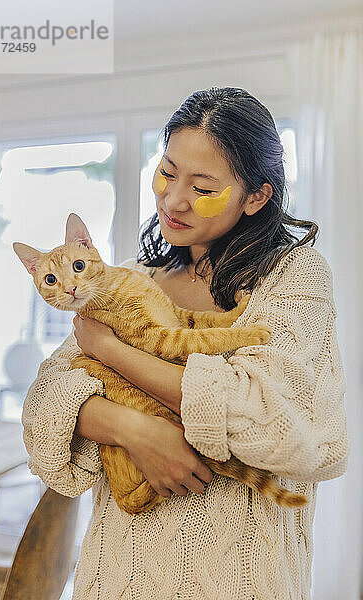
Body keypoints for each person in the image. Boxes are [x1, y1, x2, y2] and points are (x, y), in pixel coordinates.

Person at [22, 87, 349, 600]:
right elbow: (44, 408)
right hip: (116, 578)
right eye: (168, 172)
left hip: (239, 579)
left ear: (256, 196)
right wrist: (131, 428)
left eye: (203, 187)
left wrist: (109, 351)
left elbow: (285, 422)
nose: (173, 201)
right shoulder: (129, 277)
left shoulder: (293, 278)